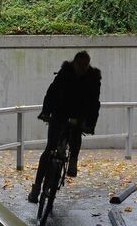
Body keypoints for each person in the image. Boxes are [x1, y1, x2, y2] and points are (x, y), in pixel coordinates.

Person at [28, 50, 101, 203]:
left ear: (88, 66)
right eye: (79, 65)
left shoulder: (93, 78)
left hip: (79, 115)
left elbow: (94, 103)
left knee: (76, 134)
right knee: (50, 149)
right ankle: (36, 188)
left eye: (85, 65)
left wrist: (89, 124)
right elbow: (52, 92)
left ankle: (73, 158)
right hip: (60, 112)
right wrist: (46, 112)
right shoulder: (65, 73)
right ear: (74, 63)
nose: (82, 68)